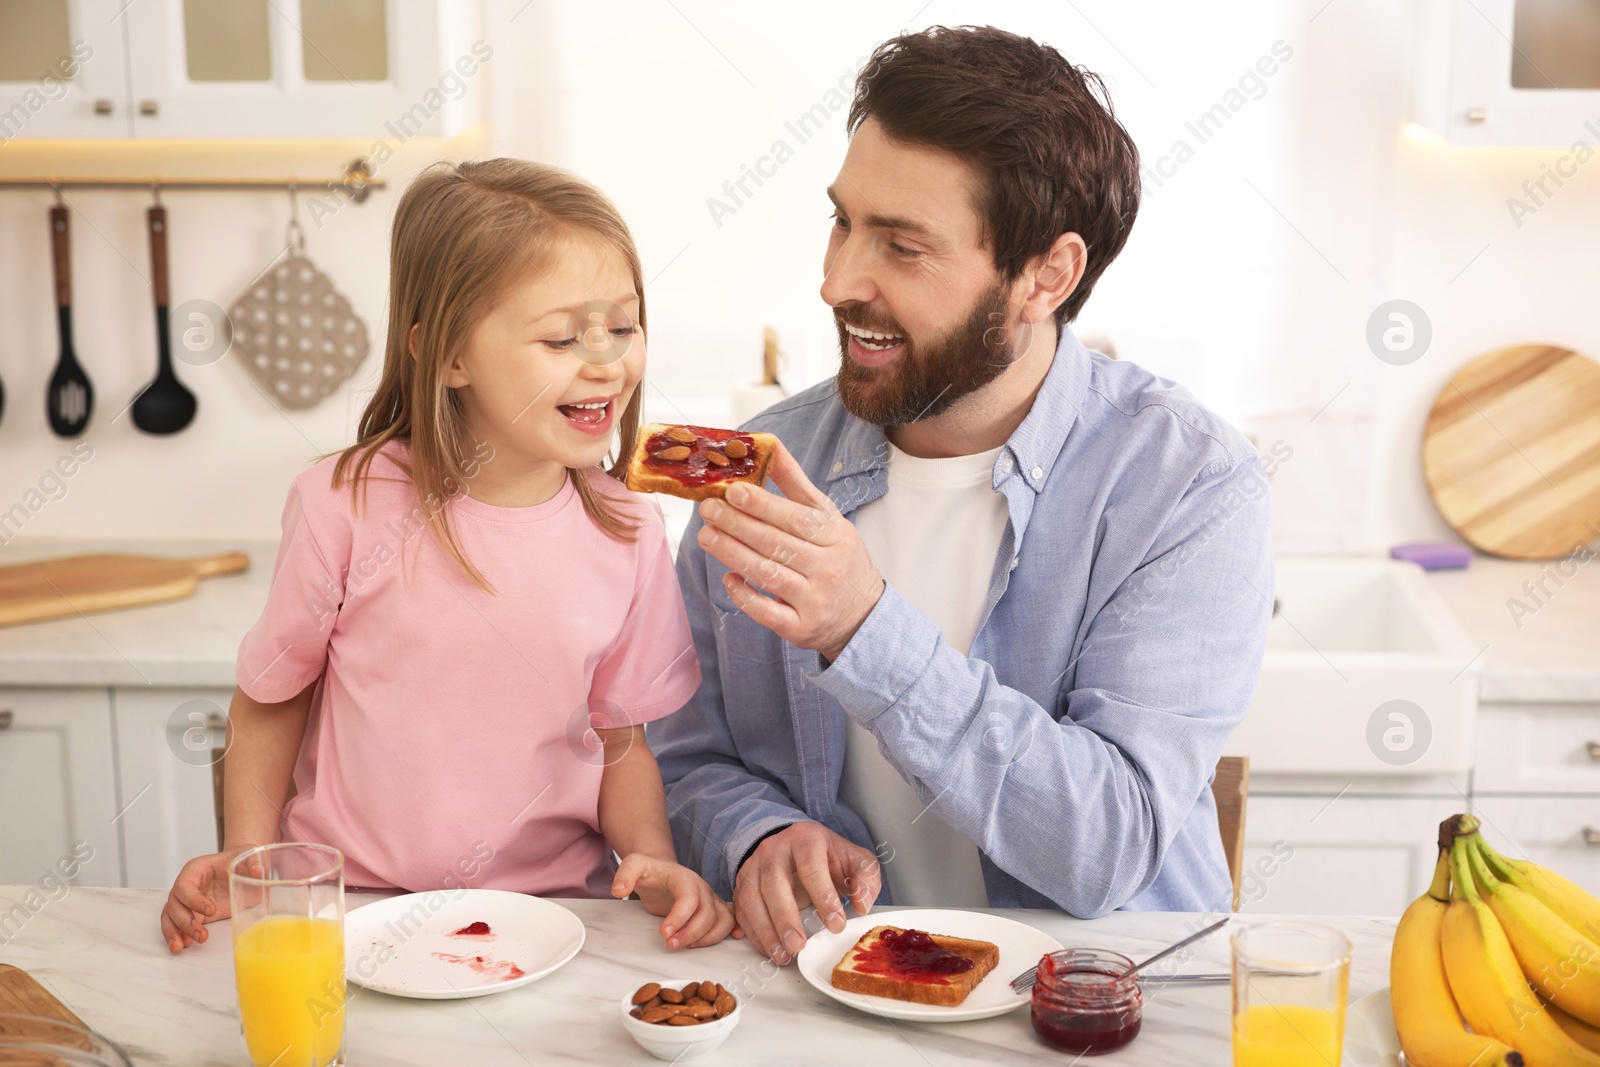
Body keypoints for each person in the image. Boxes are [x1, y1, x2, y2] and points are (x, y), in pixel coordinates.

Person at [650, 25, 1274, 965]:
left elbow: (1105, 847)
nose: (836, 282)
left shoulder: (1187, 484)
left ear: (1046, 277)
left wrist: (863, 627)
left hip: (1098, 1012)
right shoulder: (762, 463)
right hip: (841, 1002)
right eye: (843, 221)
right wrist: (756, 834)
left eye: (902, 247)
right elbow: (682, 755)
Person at [160, 159, 735, 955]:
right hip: (351, 914)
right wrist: (253, 866)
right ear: (449, 356)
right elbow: (270, 699)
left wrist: (654, 858)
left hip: (555, 924)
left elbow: (620, 737)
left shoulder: (630, 529)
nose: (606, 362)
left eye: (624, 327)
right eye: (563, 337)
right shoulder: (343, 505)